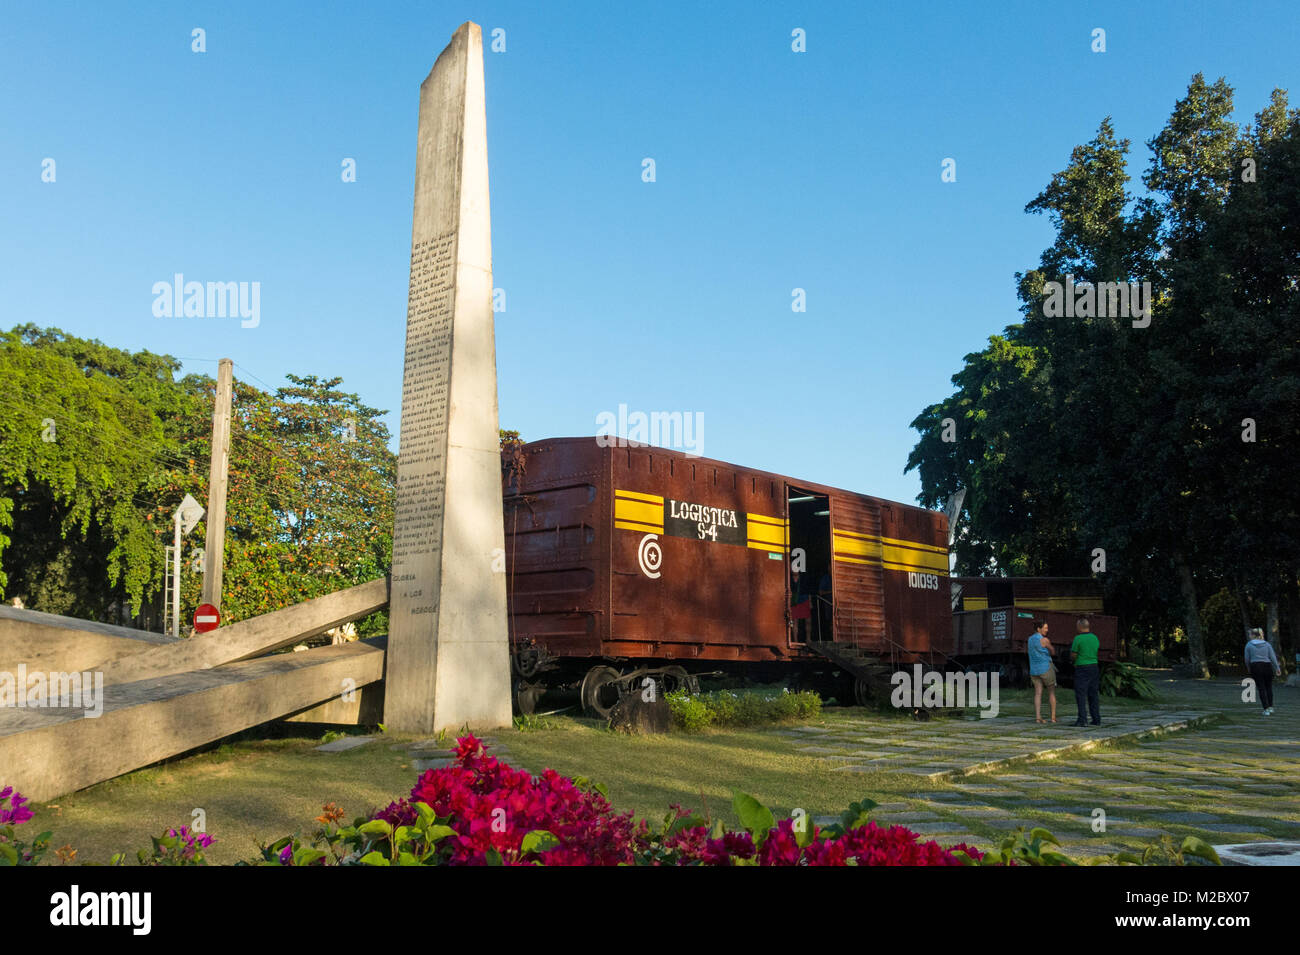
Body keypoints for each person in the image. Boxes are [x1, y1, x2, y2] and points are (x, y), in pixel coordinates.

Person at [1070, 617, 1101, 727]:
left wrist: (1074, 661)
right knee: (1093, 694)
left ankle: (1082, 719)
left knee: (1081, 694)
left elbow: (1073, 654)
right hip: (1094, 666)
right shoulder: (1095, 638)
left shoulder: (1078, 639)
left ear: (1079, 626)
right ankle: (1096, 719)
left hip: (1082, 667)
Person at [1244, 627, 1281, 715]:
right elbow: (1272, 657)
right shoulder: (1267, 644)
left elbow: (1247, 659)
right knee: (1269, 687)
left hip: (1255, 666)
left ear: (1253, 635)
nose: (1249, 636)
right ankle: (1271, 707)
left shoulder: (1249, 645)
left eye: (1250, 634)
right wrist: (1277, 668)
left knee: (1261, 688)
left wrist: (1248, 667)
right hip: (1267, 666)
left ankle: (1266, 709)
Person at [1027, 620, 1056, 723]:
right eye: (1045, 628)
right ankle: (1053, 717)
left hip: (1034, 670)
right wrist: (1050, 648)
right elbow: (1053, 651)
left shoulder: (1030, 639)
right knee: (1051, 692)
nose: (1047, 630)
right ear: (1039, 629)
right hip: (1045, 668)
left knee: (1038, 693)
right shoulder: (1044, 640)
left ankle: (1038, 717)